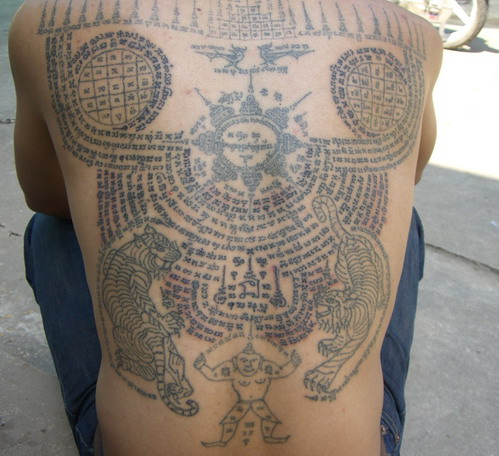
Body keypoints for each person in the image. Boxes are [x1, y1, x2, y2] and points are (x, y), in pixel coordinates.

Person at [9, 1, 442, 455]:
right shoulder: (408, 36)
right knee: (400, 224)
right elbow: (410, 172)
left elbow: (45, 197)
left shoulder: (53, 21)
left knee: (51, 228)